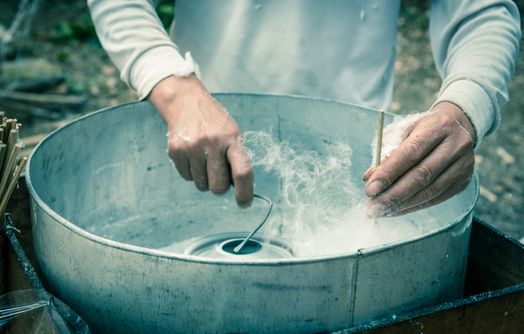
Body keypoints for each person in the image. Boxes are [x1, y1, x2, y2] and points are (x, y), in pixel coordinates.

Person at [88, 0, 521, 215]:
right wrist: (172, 86)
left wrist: (465, 108)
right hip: (195, 131)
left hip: (355, 148)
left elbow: (483, 9)